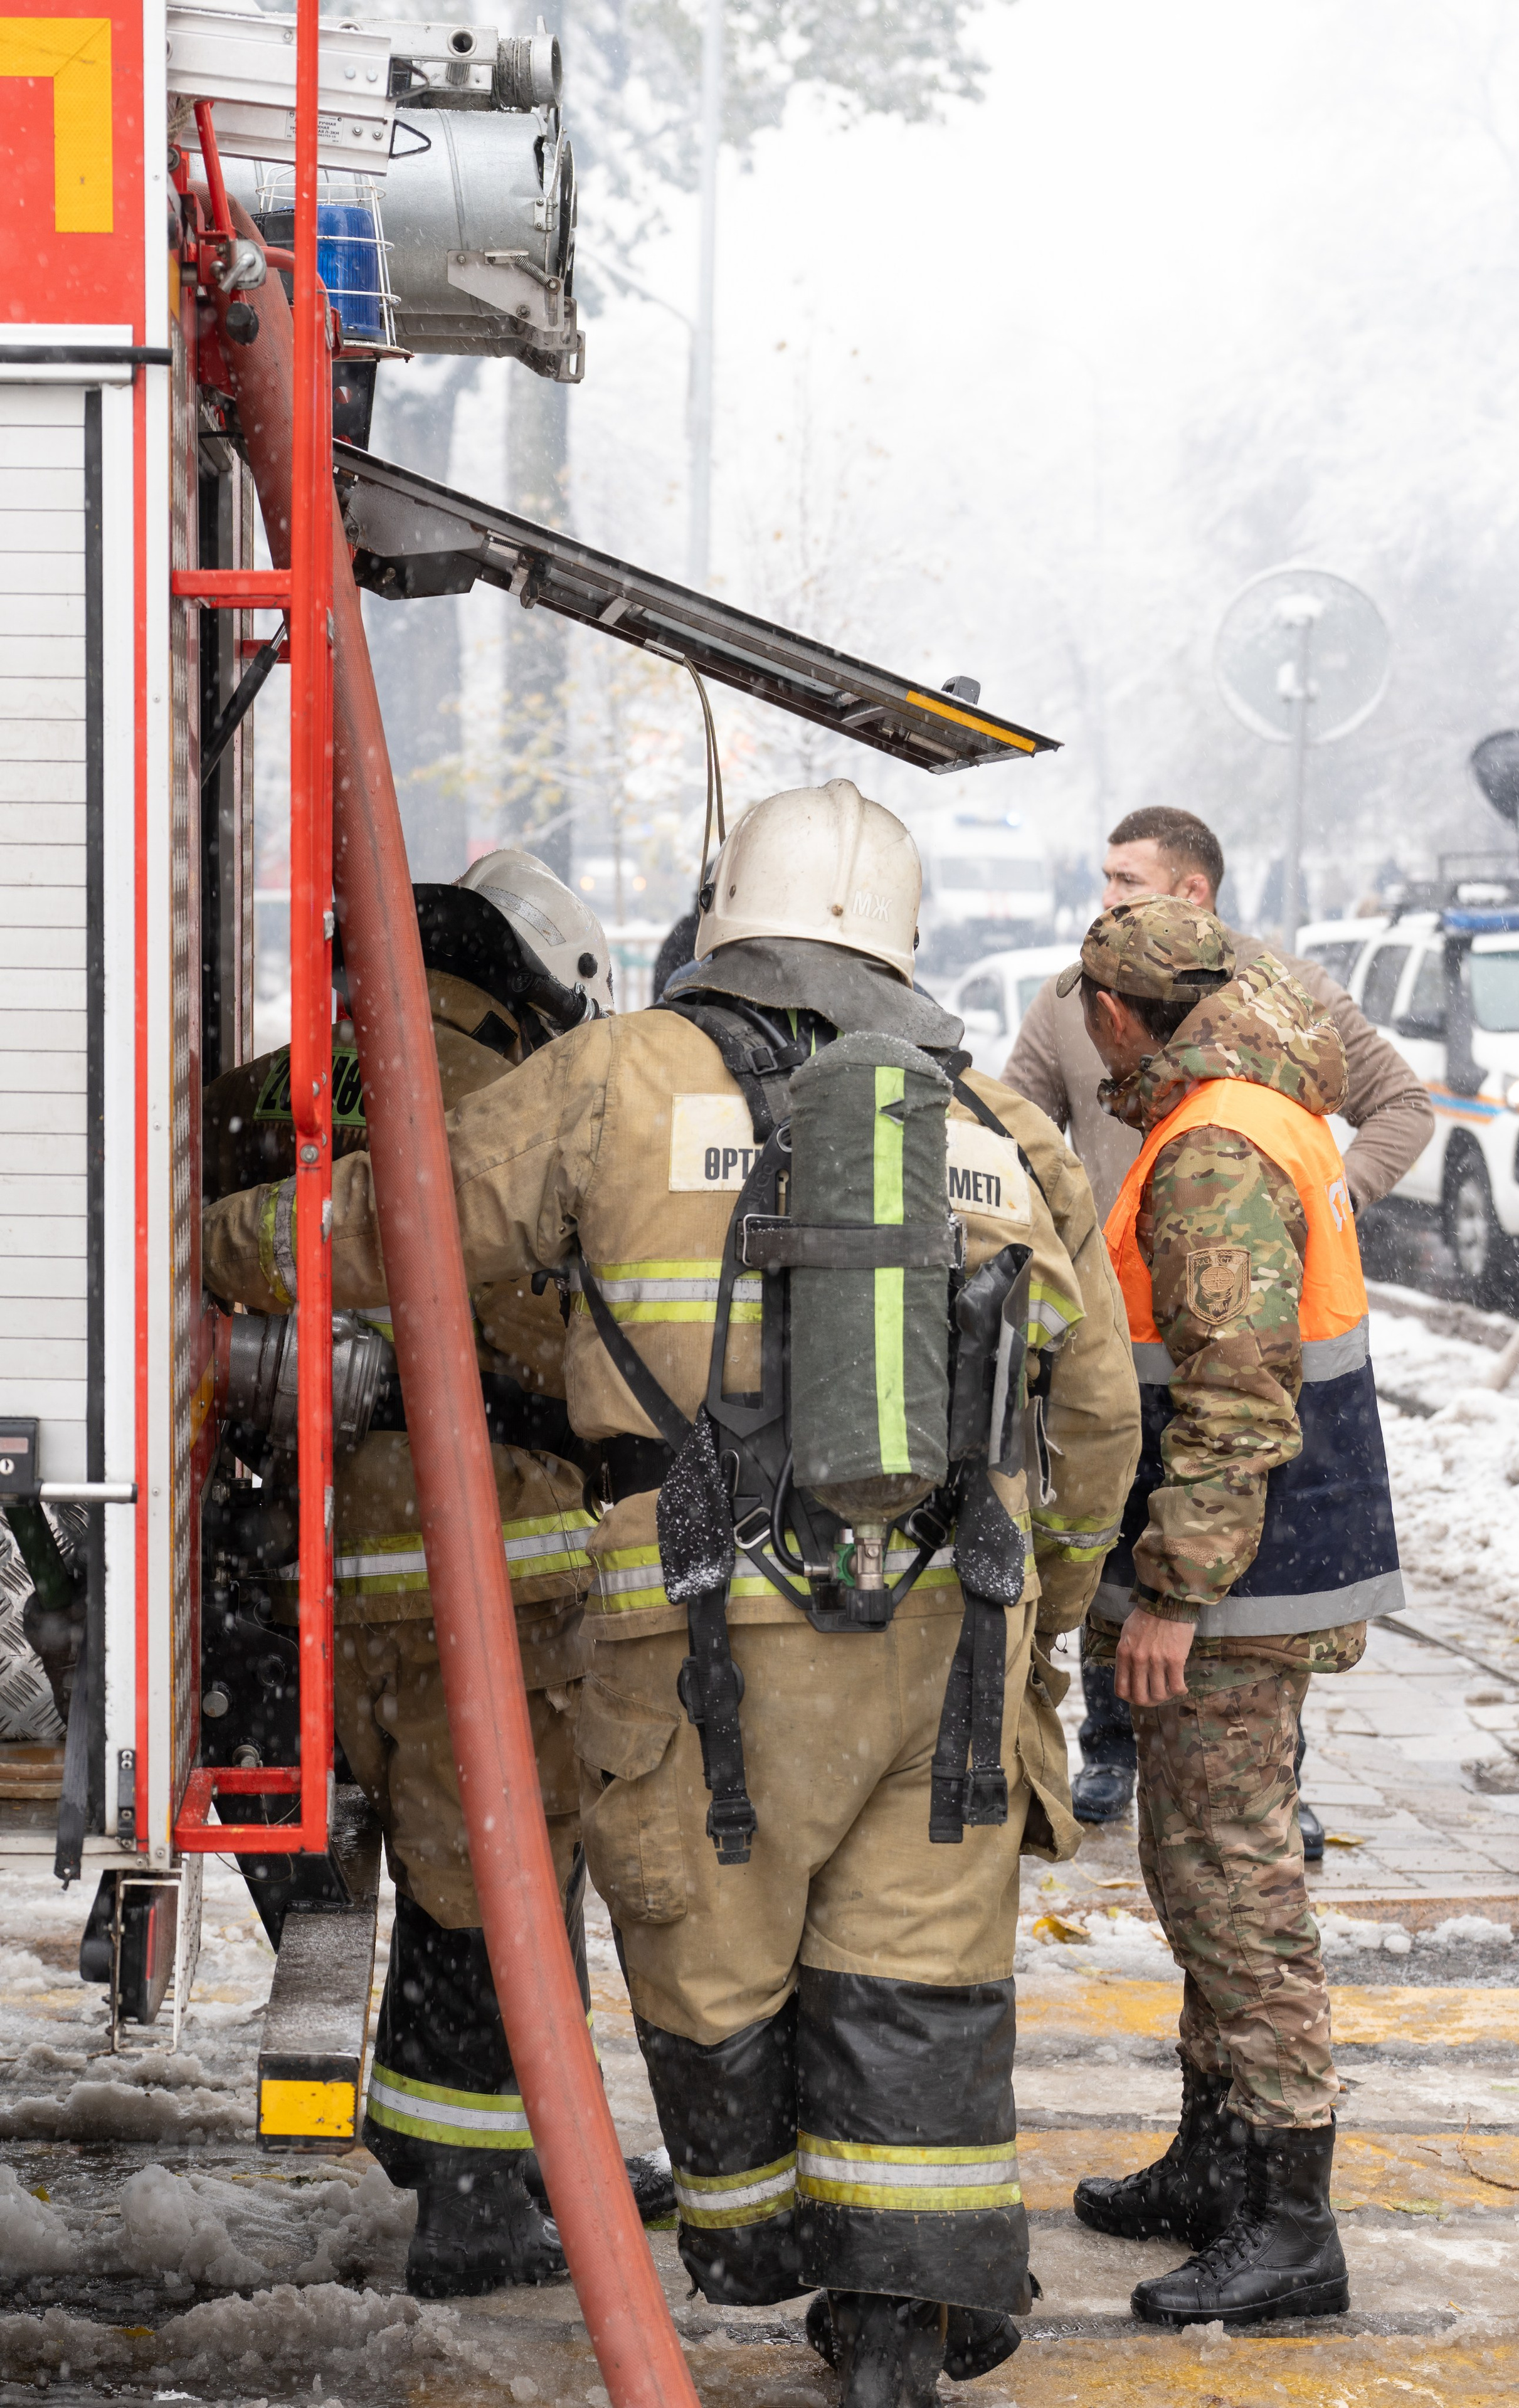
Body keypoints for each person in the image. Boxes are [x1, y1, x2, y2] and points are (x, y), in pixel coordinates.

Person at [204, 779, 1141, 2406]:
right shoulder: (1003, 1128)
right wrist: (1047, 1629)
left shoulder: (619, 1078)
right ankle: (895, 2318)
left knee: (723, 1989)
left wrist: (191, 1240)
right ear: (907, 945)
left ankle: (766, 2237)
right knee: (915, 1977)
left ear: (728, 920)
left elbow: (397, 1217)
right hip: (950, 1649)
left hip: (692, 1639)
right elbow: (1100, 1421)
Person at [203, 852, 672, 2298]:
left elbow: (213, 1250)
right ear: (532, 985)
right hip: (486, 1577)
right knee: (491, 1887)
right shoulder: (528, 1111)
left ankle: (522, 2153)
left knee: (412, 1884)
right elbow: (555, 1343)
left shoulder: (274, 1091)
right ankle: (473, 2201)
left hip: (298, 1583)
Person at [1066, 895, 1402, 2328]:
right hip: (1272, 1566)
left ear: (1118, 1014)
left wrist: (1169, 1595)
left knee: (1234, 1890)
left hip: (1240, 1584)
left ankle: (1288, 2220)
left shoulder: (1210, 1146)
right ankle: (1213, 2167)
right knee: (1197, 1864)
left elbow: (1229, 1399)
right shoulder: (1257, 1109)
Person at [1003, 806, 1431, 1849]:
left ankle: (1251, 1783)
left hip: (1229, 1334)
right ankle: (1131, 1753)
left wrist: (1314, 1208)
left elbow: (1400, 1107)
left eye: (1126, 878)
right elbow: (1011, 1128)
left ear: (1191, 892)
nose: (1106, 894)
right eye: (1102, 875)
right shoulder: (1078, 998)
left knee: (1230, 1606)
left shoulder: (1280, 1011)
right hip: (1123, 1332)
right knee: (1128, 1545)